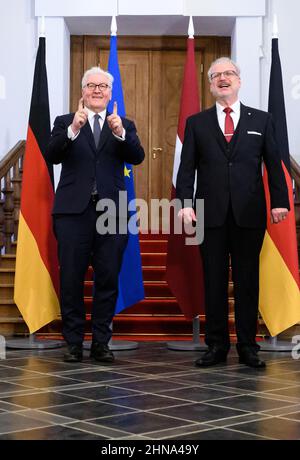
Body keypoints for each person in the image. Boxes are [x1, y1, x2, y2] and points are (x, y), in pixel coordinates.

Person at [176, 57, 289, 368]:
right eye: (216, 75)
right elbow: (186, 170)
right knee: (213, 281)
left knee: (247, 281)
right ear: (210, 85)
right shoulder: (196, 123)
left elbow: (275, 165)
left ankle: (248, 347)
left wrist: (280, 201)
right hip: (208, 216)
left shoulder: (262, 121)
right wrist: (185, 204)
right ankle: (216, 346)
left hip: (249, 214)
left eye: (229, 74)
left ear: (239, 80)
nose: (223, 79)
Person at [45, 66, 145, 363]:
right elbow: (52, 155)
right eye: (92, 85)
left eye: (103, 86)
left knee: (107, 278)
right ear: (83, 91)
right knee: (72, 279)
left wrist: (121, 133)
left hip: (111, 212)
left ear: (110, 93)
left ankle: (101, 342)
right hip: (72, 213)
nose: (97, 90)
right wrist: (73, 130)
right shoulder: (65, 122)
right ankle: (74, 343)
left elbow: (137, 156)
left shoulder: (123, 123)